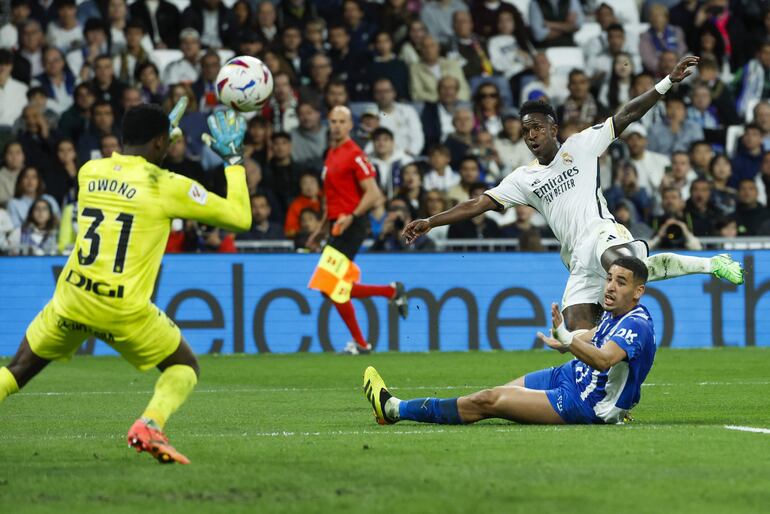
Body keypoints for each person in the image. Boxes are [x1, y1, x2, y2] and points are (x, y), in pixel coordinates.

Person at [404, 55, 744, 333]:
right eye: (525, 131)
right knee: (578, 336)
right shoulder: (524, 178)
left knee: (623, 270)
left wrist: (667, 81)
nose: (531, 136)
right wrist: (431, 221)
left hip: (601, 233)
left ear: (553, 128)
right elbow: (478, 203)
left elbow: (627, 114)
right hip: (577, 259)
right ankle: (606, 400)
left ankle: (710, 264)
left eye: (537, 127)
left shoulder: (581, 145)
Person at [0, 103, 252, 465]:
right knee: (184, 367)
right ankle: (150, 424)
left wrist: (159, 146)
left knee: (17, 370)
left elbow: (131, 179)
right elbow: (240, 217)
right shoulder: (167, 185)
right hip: (123, 309)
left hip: (72, 298)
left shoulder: (89, 171)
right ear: (160, 143)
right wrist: (233, 161)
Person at [364, 257, 656, 426]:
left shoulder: (636, 325)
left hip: (583, 402)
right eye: (609, 278)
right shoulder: (617, 313)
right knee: (492, 394)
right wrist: (567, 340)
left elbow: (605, 358)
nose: (610, 286)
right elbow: (596, 337)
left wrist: (568, 339)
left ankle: (393, 408)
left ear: (638, 291)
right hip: (569, 375)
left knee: (487, 401)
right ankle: (396, 411)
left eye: (621, 282)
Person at [306, 106, 409, 355]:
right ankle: (389, 292)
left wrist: (351, 217)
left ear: (350, 125)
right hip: (337, 225)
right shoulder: (330, 154)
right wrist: (321, 228)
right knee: (334, 287)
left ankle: (363, 342)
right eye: (333, 121)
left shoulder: (355, 154)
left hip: (353, 224)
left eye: (342, 121)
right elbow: (331, 199)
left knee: (329, 286)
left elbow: (373, 193)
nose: (337, 125)